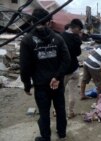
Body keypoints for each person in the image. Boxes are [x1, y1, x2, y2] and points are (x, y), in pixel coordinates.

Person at [20, 8, 70, 141]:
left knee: (44, 112)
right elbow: (67, 60)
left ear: (32, 22)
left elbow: (25, 66)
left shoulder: (27, 40)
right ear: (49, 22)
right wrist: (57, 77)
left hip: (41, 84)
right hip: (57, 83)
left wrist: (26, 85)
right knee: (60, 109)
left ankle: (46, 137)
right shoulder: (58, 37)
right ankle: (62, 133)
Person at [61, 19, 83, 119]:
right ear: (77, 28)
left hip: (63, 70)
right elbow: (78, 53)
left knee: (60, 92)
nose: (80, 32)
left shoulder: (60, 37)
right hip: (74, 68)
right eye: (80, 30)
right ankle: (70, 112)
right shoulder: (76, 38)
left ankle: (56, 111)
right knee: (72, 92)